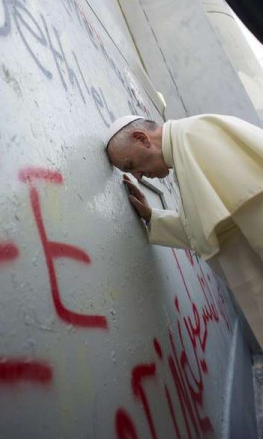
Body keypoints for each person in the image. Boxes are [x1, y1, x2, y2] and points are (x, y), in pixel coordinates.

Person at [105, 114, 263, 345]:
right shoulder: (184, 148)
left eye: (132, 166)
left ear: (142, 139)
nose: (137, 176)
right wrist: (152, 217)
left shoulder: (197, 134)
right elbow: (205, 229)